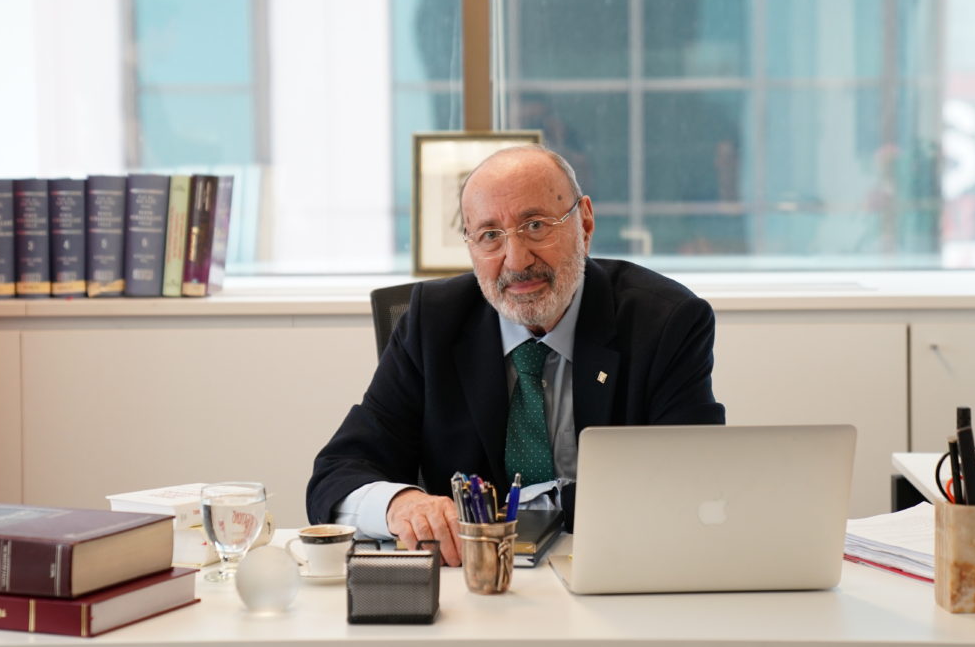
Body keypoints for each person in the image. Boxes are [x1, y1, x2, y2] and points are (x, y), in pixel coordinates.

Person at [306, 145, 725, 565]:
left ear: (584, 223)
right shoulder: (432, 322)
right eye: (490, 235)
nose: (517, 260)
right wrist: (400, 505)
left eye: (536, 226)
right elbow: (336, 474)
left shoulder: (666, 322)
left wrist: (519, 510)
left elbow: (692, 482)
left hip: (617, 568)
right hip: (470, 583)